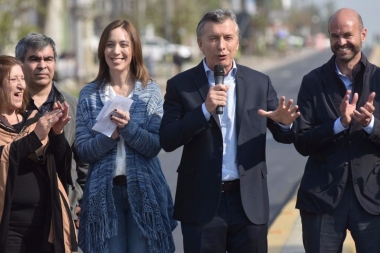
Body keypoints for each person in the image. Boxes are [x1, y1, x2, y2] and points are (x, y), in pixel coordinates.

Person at [160, 9, 299, 252]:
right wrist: (204, 110)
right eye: (213, 39)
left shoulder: (259, 82)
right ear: (200, 44)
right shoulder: (180, 85)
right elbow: (168, 138)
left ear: (237, 42)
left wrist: (285, 122)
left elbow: (284, 136)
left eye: (227, 38)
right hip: (201, 205)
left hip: (249, 204)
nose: (221, 46)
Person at [76, 19, 177, 253]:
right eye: (110, 44)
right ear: (102, 49)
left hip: (145, 192)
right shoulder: (89, 94)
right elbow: (83, 150)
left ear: (134, 49)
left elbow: (154, 146)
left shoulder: (150, 90)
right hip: (105, 193)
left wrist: (128, 129)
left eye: (123, 44)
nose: (116, 51)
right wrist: (109, 136)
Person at [294, 8, 380, 252]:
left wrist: (370, 125)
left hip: (373, 200)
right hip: (322, 202)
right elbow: (301, 141)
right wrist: (338, 125)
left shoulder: (379, 80)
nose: (341, 42)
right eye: (335, 36)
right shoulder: (312, 82)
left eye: (347, 35)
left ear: (363, 34)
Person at [0, 55, 77, 252]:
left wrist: (57, 133)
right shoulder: (35, 129)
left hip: (44, 224)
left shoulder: (33, 119)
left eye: (22, 79)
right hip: (9, 228)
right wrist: (35, 137)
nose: (21, 86)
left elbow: (60, 166)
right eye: (13, 79)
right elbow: (6, 155)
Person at [15, 33, 87, 229]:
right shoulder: (8, 105)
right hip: (16, 214)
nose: (42, 65)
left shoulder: (72, 105)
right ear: (20, 63)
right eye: (34, 59)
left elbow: (84, 161)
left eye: (48, 59)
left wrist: (81, 202)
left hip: (62, 210)